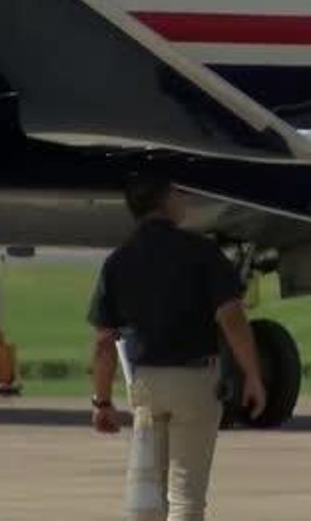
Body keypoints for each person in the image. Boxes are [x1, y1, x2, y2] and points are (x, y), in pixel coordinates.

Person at [88, 172, 267, 521]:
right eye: (178, 194)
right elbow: (231, 317)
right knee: (187, 496)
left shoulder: (119, 261)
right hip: (195, 381)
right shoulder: (201, 252)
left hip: (145, 384)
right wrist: (253, 375)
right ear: (165, 201)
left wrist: (102, 401)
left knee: (147, 493)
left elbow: (103, 343)